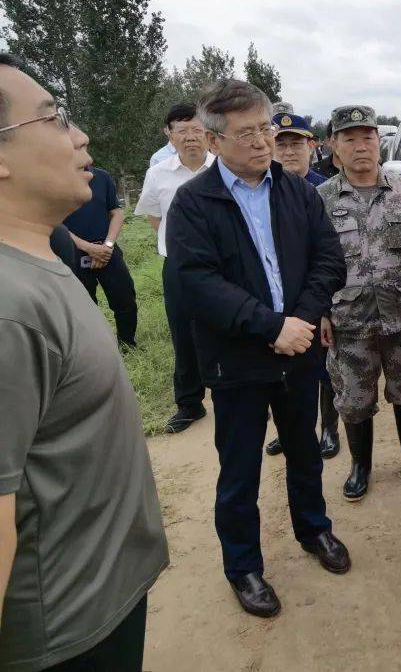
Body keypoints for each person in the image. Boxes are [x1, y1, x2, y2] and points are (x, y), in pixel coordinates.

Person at [0, 52, 169, 669]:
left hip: (98, 608)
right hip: (63, 635)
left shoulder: (39, 258)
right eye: (52, 119)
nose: (81, 135)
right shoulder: (8, 309)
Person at [167, 79, 350, 618]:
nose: (262, 142)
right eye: (245, 133)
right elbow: (195, 282)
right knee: (240, 468)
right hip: (238, 359)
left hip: (299, 351)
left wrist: (306, 316)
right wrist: (271, 326)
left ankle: (314, 531)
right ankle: (243, 566)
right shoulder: (194, 203)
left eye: (265, 128)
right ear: (215, 140)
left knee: (305, 454)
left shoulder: (297, 191)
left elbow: (329, 260)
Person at [320, 104, 401, 503]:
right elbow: (312, 263)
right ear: (334, 146)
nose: (360, 146)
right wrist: (318, 311)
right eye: (349, 138)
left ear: (379, 142)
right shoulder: (322, 199)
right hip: (348, 319)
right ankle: (360, 467)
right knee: (354, 400)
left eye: (367, 137)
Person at [134, 103, 215, 434]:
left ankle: (242, 393)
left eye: (196, 130)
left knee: (233, 327)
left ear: (208, 133)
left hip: (224, 264)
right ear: (170, 135)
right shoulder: (159, 173)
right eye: (182, 131)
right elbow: (156, 217)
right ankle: (189, 403)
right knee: (183, 334)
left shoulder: (223, 168)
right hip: (179, 266)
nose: (191, 137)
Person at [264, 111, 338, 458]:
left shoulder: (324, 189)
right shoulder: (262, 189)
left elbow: (330, 256)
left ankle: (330, 429)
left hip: (319, 297)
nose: (290, 151)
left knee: (325, 369)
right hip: (279, 300)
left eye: (297, 143)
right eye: (282, 144)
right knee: (279, 371)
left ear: (312, 146)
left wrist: (324, 308)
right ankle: (289, 430)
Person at [62, 162, 139, 348]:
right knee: (84, 306)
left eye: (83, 146)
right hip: (73, 254)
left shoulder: (102, 177)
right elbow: (55, 222)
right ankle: (95, 348)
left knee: (125, 298)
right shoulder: (56, 179)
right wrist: (88, 247)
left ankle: (127, 343)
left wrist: (107, 246)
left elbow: (116, 212)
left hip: (107, 251)